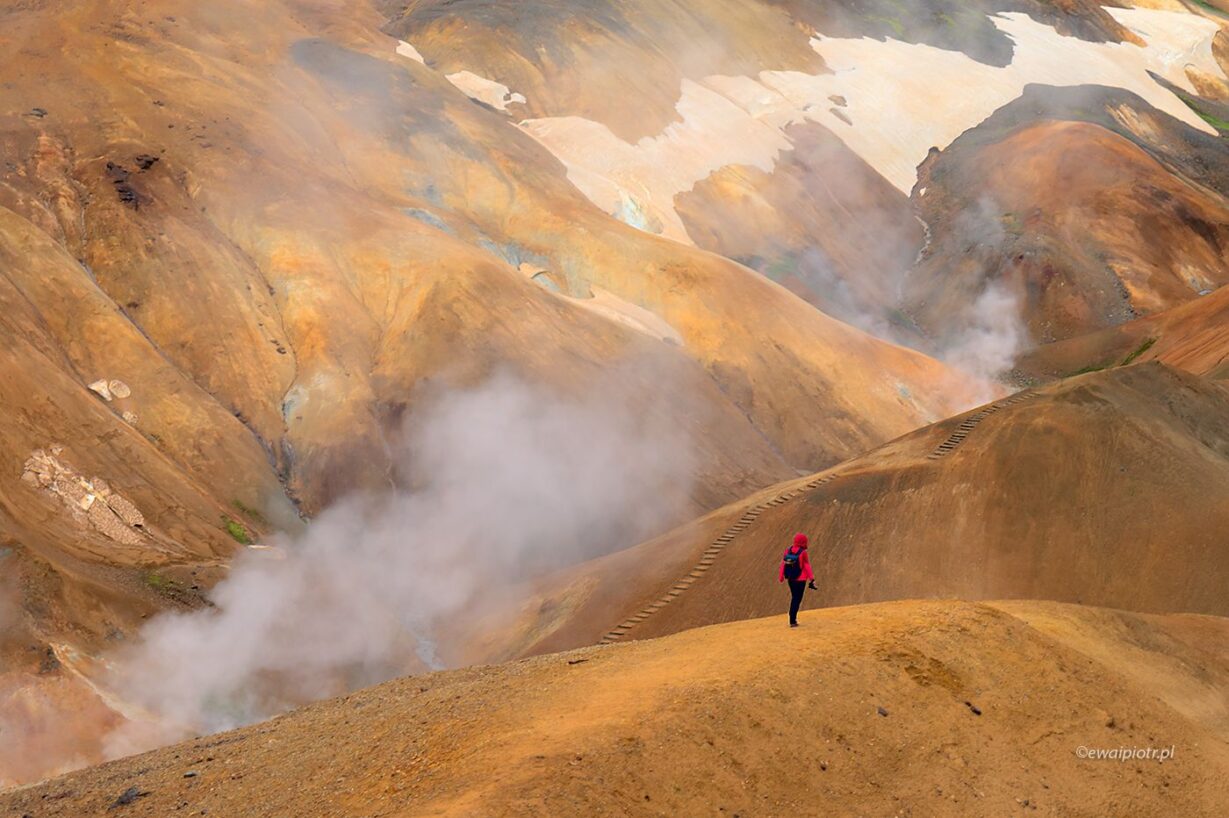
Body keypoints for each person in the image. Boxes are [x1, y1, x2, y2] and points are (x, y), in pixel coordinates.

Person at [778, 532, 817, 627]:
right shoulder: (803, 552)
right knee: (797, 598)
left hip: (790, 578)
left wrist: (781, 576)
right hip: (801, 579)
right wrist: (812, 578)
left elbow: (783, 564)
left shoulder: (788, 550)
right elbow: (806, 566)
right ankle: (792, 619)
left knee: (794, 597)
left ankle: (792, 618)